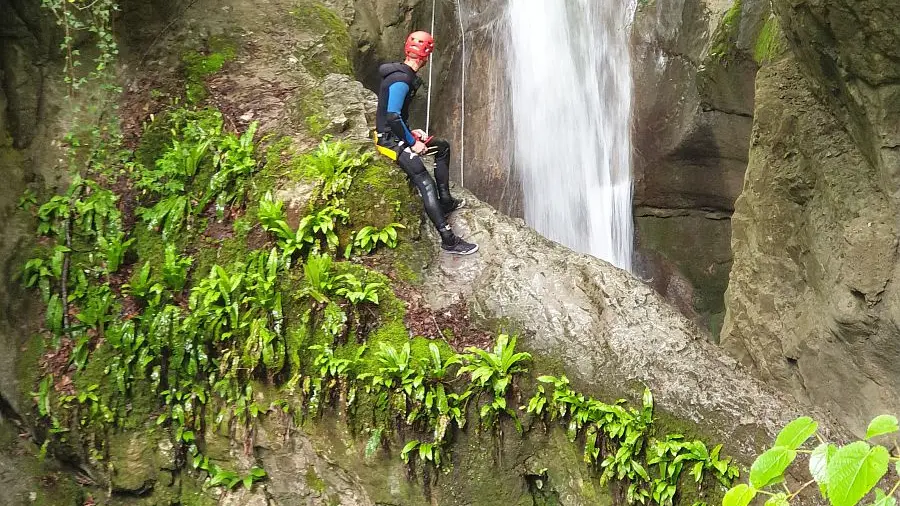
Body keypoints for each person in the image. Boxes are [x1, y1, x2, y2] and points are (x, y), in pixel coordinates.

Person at [373, 31, 478, 255]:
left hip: (398, 134)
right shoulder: (401, 80)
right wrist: (411, 141)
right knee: (424, 180)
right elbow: (392, 116)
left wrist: (411, 131)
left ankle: (446, 201)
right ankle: (448, 239)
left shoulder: (404, 74)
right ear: (426, 56)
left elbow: (397, 114)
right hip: (388, 141)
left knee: (442, 147)